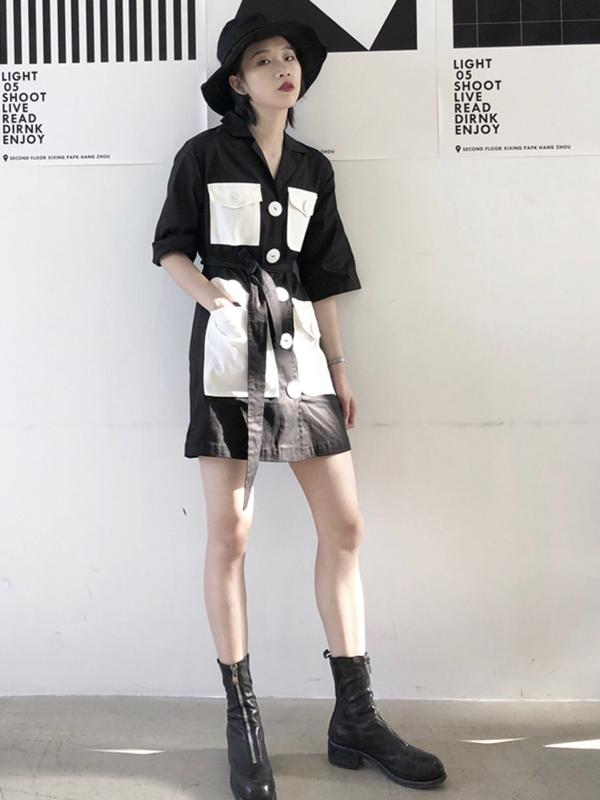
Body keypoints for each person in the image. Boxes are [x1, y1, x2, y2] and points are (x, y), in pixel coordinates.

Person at [151, 11, 447, 800]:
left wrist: (339, 367)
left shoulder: (315, 167)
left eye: (290, 57)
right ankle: (242, 722)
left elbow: (323, 275)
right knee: (230, 536)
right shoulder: (203, 154)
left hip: (303, 356)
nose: (284, 67)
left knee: (345, 526)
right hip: (228, 357)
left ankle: (356, 717)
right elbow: (170, 246)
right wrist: (213, 299)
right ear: (236, 81)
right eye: (264, 59)